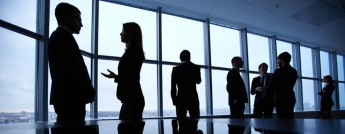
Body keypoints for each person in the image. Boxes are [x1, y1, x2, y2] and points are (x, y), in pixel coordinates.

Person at [48, 2, 95, 122]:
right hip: (71, 99)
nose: (81, 24)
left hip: (67, 98)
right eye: (77, 19)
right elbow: (75, 70)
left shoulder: (60, 37)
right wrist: (89, 92)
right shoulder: (63, 37)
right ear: (64, 17)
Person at [101, 22, 145, 120]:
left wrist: (127, 102)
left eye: (123, 31)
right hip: (132, 99)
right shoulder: (132, 50)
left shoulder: (134, 50)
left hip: (132, 100)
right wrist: (116, 77)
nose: (120, 34)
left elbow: (133, 78)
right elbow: (129, 76)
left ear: (130, 33)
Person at [171, 50, 202, 119]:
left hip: (181, 99)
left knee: (181, 124)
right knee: (194, 123)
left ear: (180, 58)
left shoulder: (176, 69)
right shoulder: (196, 67)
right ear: (189, 57)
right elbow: (198, 81)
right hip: (193, 98)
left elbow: (173, 87)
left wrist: (175, 101)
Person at [267, 52, 298, 119]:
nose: (277, 62)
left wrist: (274, 86)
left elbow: (270, 85)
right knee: (290, 119)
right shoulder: (294, 71)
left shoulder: (278, 71)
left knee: (282, 121)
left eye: (278, 59)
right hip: (290, 97)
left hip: (280, 98)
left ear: (282, 59)